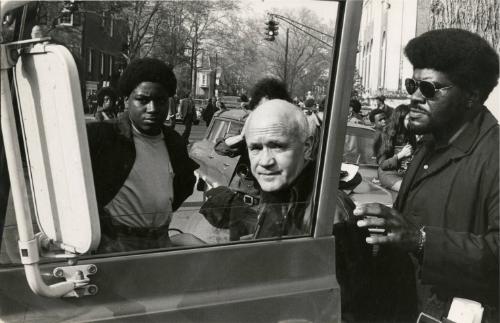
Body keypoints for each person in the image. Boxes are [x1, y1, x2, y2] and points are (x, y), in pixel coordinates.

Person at [355, 29, 499, 322]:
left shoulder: (494, 156)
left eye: (429, 89)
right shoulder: (427, 146)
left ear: (471, 96)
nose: (415, 97)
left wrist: (421, 242)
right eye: (412, 85)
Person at [86, 58, 200, 252]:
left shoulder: (174, 142)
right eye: (143, 100)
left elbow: (184, 185)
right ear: (126, 100)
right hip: (115, 245)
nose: (153, 108)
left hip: (161, 241)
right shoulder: (103, 137)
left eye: (160, 101)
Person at [375, 104, 416, 192]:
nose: (411, 122)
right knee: (407, 189)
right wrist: (401, 155)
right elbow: (382, 164)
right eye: (408, 119)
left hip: (407, 174)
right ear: (400, 119)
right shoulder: (386, 135)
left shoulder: (411, 134)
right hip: (389, 173)